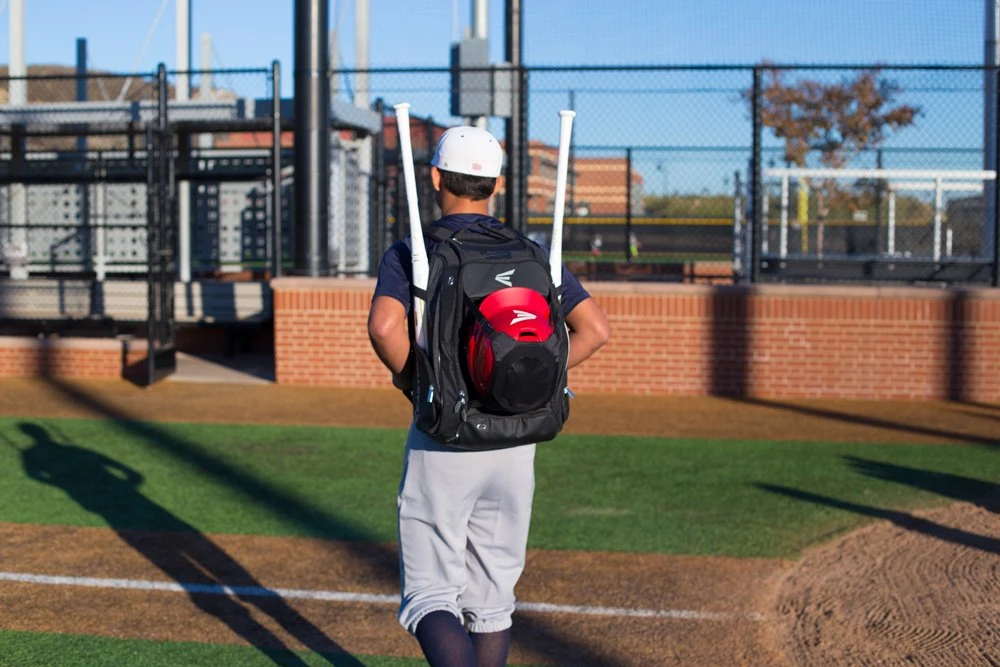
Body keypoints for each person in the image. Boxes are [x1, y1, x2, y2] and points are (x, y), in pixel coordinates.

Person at [368, 125, 611, 667]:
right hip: (518, 437)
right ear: (498, 184)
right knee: (492, 600)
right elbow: (595, 330)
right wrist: (526, 380)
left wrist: (417, 381)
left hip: (447, 439)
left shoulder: (415, 250)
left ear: (435, 177)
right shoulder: (534, 252)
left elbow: (385, 327)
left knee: (431, 595)